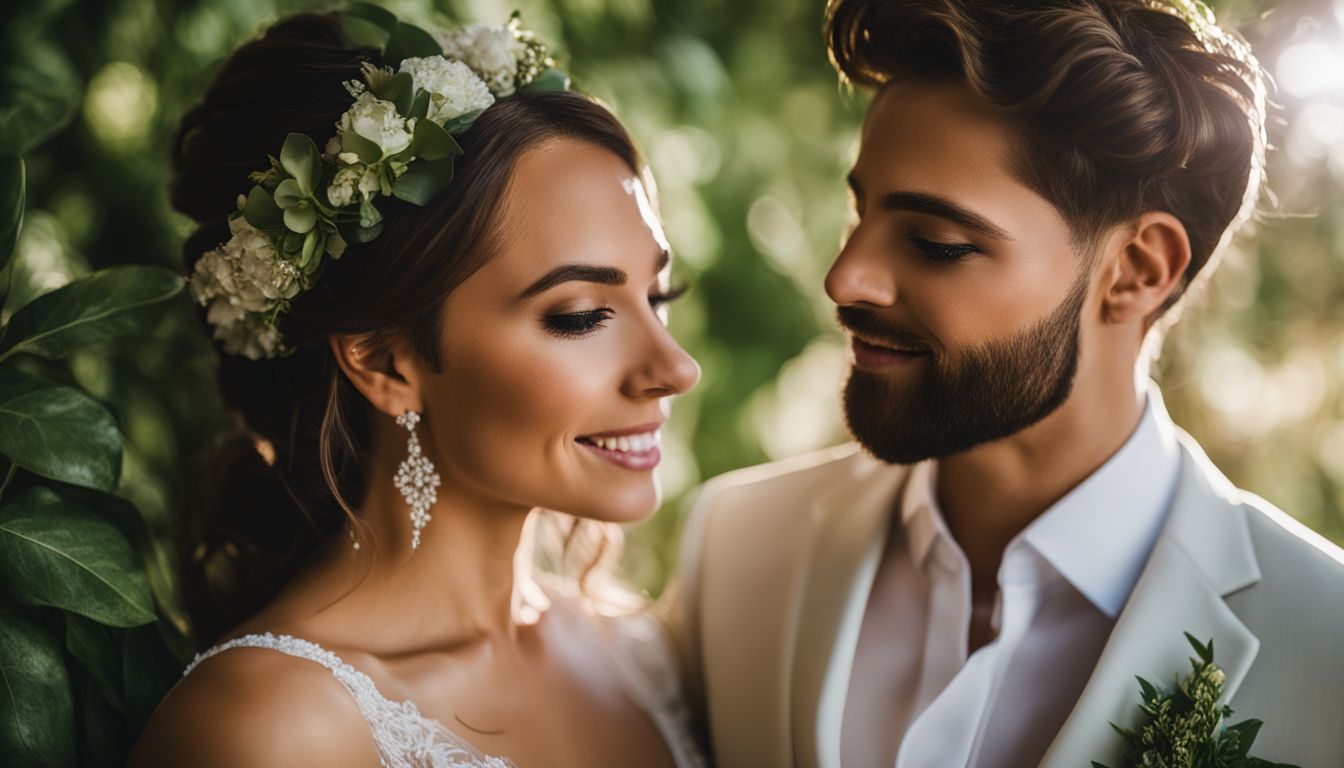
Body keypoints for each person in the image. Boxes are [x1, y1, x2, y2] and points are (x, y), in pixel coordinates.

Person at [660, 0, 1344, 766]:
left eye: (936, 242)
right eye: (861, 210)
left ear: (1137, 270)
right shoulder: (735, 546)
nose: (844, 277)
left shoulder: (1328, 644)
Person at [129, 9, 706, 768]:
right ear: (385, 364)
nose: (676, 368)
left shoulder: (638, 646)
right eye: (581, 316)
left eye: (657, 299)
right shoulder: (268, 731)